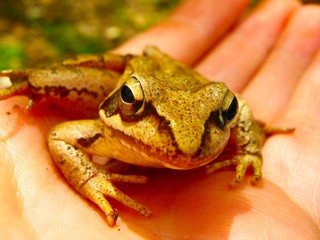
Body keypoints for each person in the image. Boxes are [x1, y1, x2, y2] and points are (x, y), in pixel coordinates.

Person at [1, 0, 319, 238]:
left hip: (183, 84)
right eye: (131, 102)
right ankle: (41, 82)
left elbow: (243, 109)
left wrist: (249, 149)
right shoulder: (105, 129)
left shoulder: (217, 115)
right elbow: (60, 137)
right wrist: (89, 178)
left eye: (221, 115)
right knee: (43, 79)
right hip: (140, 77)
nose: (187, 147)